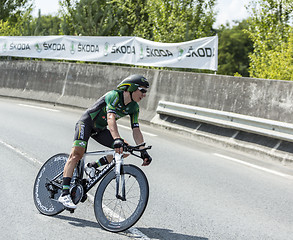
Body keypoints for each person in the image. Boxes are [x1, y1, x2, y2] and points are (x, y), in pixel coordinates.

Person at [58, 74, 152, 209]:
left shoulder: (134, 107)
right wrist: (117, 138)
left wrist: (142, 150)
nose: (144, 95)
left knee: (125, 150)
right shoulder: (113, 95)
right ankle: (64, 193)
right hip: (86, 124)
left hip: (100, 129)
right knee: (77, 155)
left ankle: (92, 166)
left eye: (146, 92)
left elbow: (136, 130)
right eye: (142, 90)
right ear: (130, 88)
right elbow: (111, 118)